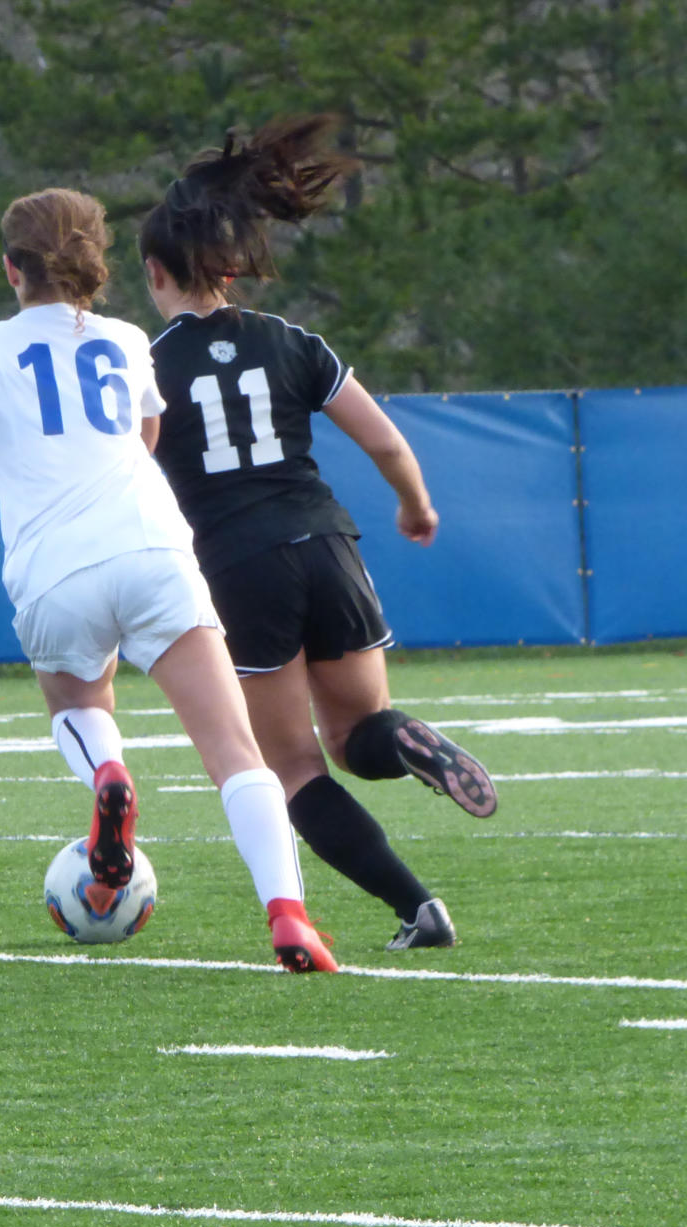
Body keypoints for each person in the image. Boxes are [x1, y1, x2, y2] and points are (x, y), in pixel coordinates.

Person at [0, 187, 336, 974]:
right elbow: (147, 433)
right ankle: (288, 913)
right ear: (96, 265)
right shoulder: (128, 340)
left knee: (79, 704)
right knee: (235, 750)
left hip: (53, 567)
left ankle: (107, 771)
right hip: (153, 547)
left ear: (11, 271)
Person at [139, 115, 497, 952]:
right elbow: (383, 439)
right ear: (231, 265)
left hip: (239, 563)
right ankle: (409, 741)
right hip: (328, 541)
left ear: (155, 274)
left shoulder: (147, 365)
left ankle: (419, 906)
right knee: (358, 734)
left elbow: (134, 472)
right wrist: (415, 505)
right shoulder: (294, 341)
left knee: (295, 766)